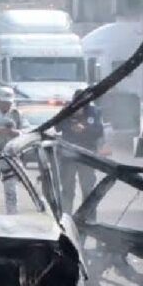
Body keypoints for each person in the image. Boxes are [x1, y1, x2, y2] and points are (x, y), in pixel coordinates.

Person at [58, 88, 107, 216]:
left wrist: (85, 129)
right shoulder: (67, 110)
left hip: (87, 156)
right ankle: (66, 217)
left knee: (88, 189)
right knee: (68, 190)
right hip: (68, 156)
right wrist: (70, 124)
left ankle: (89, 218)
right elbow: (57, 126)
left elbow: (99, 131)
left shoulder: (94, 112)